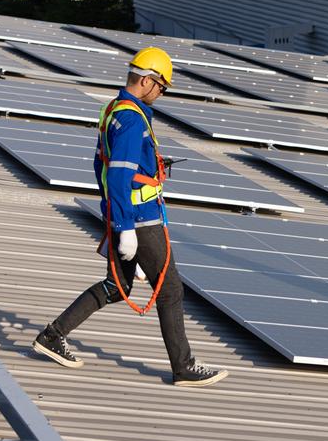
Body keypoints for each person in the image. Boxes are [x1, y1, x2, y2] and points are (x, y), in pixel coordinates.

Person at [32, 47, 229, 387]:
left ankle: (53, 335)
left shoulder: (114, 110)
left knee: (116, 286)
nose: (162, 93)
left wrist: (113, 214)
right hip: (140, 218)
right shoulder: (133, 118)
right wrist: (125, 228)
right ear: (147, 80)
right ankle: (183, 367)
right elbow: (120, 175)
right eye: (162, 86)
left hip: (126, 215)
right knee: (170, 291)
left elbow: (101, 168)